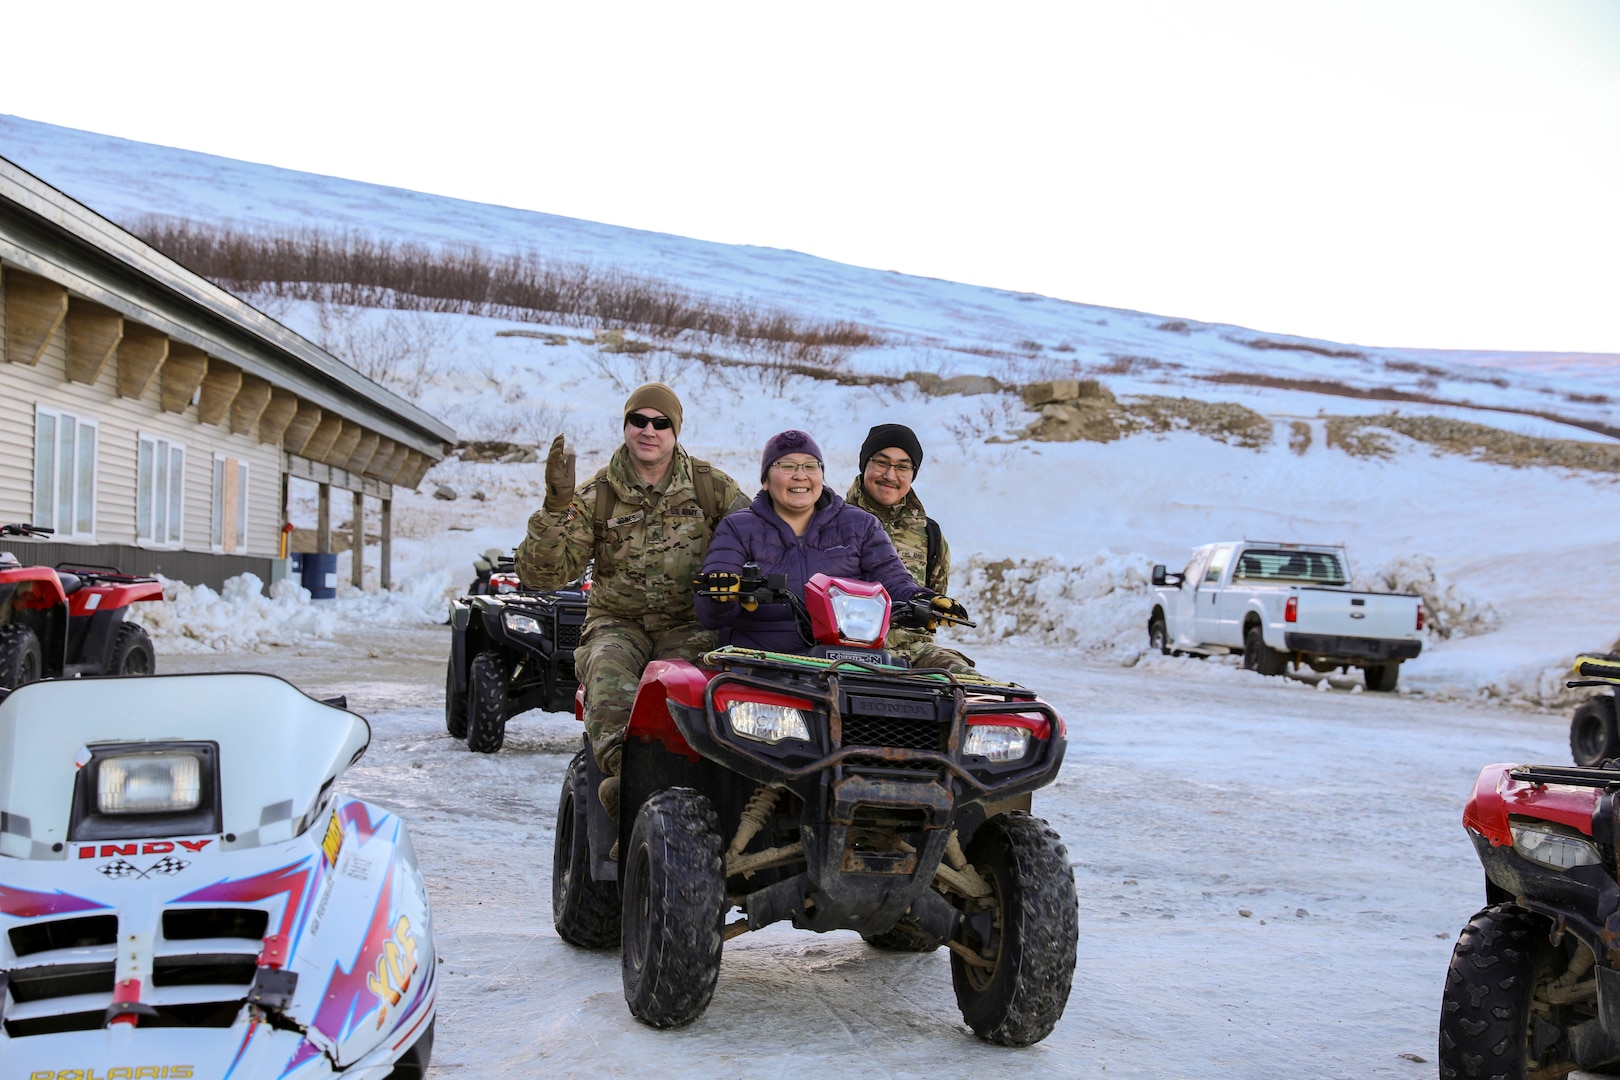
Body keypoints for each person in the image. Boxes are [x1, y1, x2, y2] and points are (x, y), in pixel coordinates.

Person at [516, 382, 746, 821]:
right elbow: (542, 574)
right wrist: (553, 507)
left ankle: (711, 788)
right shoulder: (596, 495)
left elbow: (758, 539)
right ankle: (628, 782)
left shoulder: (710, 488)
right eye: (637, 420)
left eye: (661, 423)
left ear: (675, 431)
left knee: (704, 693)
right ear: (625, 426)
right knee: (607, 672)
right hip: (618, 623)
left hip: (689, 623)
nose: (648, 430)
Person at [695, 429, 967, 652]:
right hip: (763, 661)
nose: (800, 475)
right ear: (765, 479)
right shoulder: (739, 527)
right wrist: (722, 593)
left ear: (821, 476)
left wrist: (924, 600)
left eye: (810, 466)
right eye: (787, 466)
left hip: (844, 662)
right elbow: (712, 610)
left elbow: (894, 580)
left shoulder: (860, 525)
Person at [845, 423, 977, 674]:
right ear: (865, 465)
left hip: (914, 651)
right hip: (848, 648)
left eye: (902, 467)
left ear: (913, 473)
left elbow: (933, 601)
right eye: (881, 463)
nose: (890, 475)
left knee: (968, 684)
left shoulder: (930, 534)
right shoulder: (831, 522)